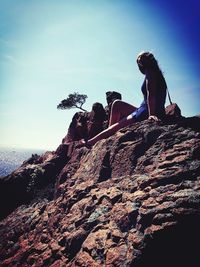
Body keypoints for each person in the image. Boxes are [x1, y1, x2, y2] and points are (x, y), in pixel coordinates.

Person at [78, 51, 167, 148]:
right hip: (145, 108)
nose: (139, 67)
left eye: (139, 63)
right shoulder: (156, 72)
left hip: (146, 112)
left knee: (117, 125)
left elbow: (151, 94)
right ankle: (109, 133)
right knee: (117, 104)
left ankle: (91, 142)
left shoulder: (150, 72)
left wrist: (152, 115)